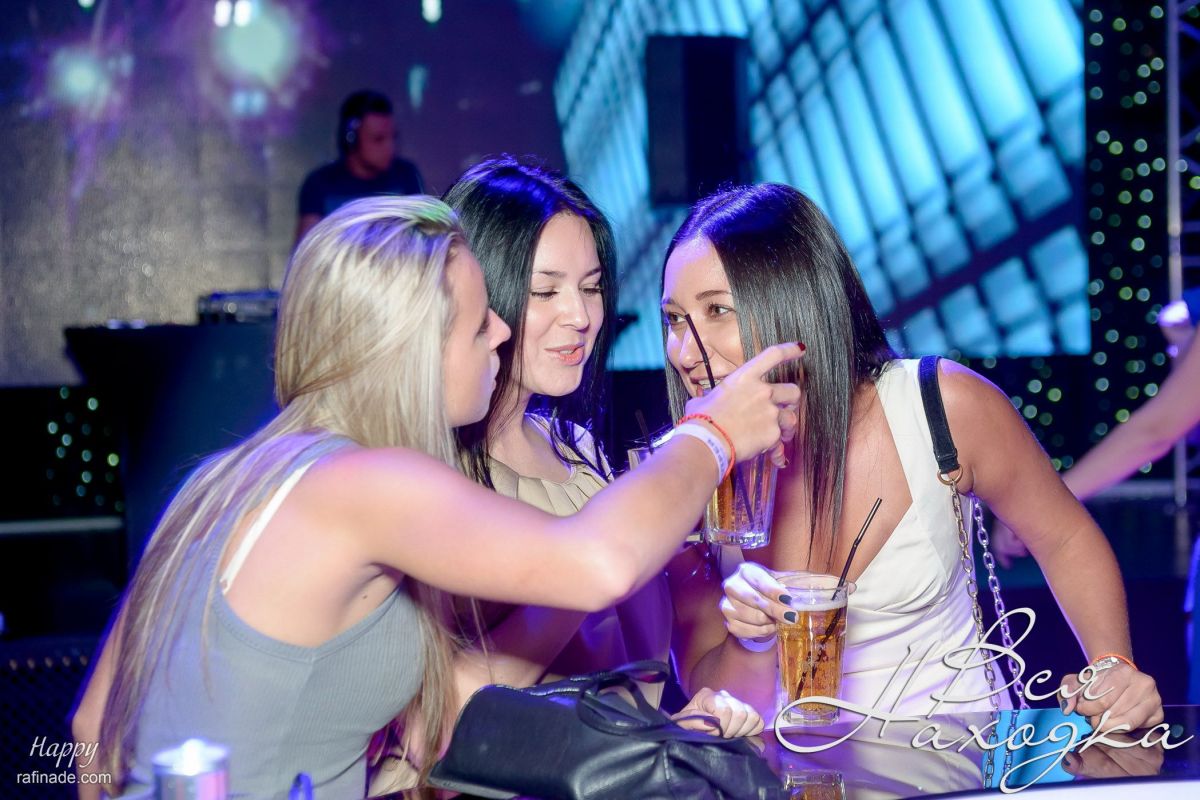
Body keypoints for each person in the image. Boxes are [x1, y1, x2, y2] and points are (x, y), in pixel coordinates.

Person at [71, 195, 802, 798]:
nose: (502, 333)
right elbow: (599, 562)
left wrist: (658, 738)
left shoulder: (219, 481)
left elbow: (93, 731)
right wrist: (714, 433)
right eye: (480, 321)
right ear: (414, 345)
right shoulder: (363, 481)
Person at [659, 183, 1163, 733]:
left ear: (794, 302)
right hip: (793, 772)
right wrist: (751, 641)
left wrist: (1112, 668)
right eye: (674, 319)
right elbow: (710, 692)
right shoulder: (679, 472)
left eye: (716, 310)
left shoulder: (939, 406)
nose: (684, 352)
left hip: (959, 761)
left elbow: (1064, 538)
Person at [443, 157, 764, 730]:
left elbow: (640, 675)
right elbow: (450, 715)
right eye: (545, 291)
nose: (580, 316)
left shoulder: (578, 449)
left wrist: (673, 728)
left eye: (591, 288)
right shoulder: (437, 477)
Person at [295, 90, 425, 245]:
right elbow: (305, 250)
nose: (390, 147)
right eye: (378, 139)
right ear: (351, 139)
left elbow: (422, 240)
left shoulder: (406, 176)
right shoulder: (320, 183)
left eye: (393, 137)